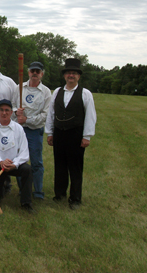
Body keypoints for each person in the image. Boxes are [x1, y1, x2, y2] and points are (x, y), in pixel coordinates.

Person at [45, 58, 97, 210]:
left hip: (75, 134)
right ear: (64, 76)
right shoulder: (57, 92)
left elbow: (90, 115)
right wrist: (50, 133)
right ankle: (59, 194)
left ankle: (75, 198)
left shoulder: (85, 93)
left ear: (78, 76)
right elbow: (51, 113)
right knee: (59, 165)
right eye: (68, 73)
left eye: (74, 73)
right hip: (59, 134)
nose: (71, 76)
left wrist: (86, 136)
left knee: (75, 167)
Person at [0, 99, 34, 213]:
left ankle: (26, 203)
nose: (4, 113)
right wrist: (0, 161)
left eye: (7, 110)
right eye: (1, 110)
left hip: (13, 165)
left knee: (27, 169)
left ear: (11, 112)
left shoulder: (18, 128)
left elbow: (24, 151)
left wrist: (15, 164)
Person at [14, 61, 52, 200]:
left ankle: (37, 191)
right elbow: (12, 105)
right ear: (28, 72)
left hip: (34, 131)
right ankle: (22, 189)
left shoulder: (46, 92)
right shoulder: (19, 88)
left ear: (42, 74)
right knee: (18, 161)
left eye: (38, 71)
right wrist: (16, 112)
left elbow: (44, 115)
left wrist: (27, 120)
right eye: (32, 71)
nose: (34, 73)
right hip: (19, 130)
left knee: (36, 162)